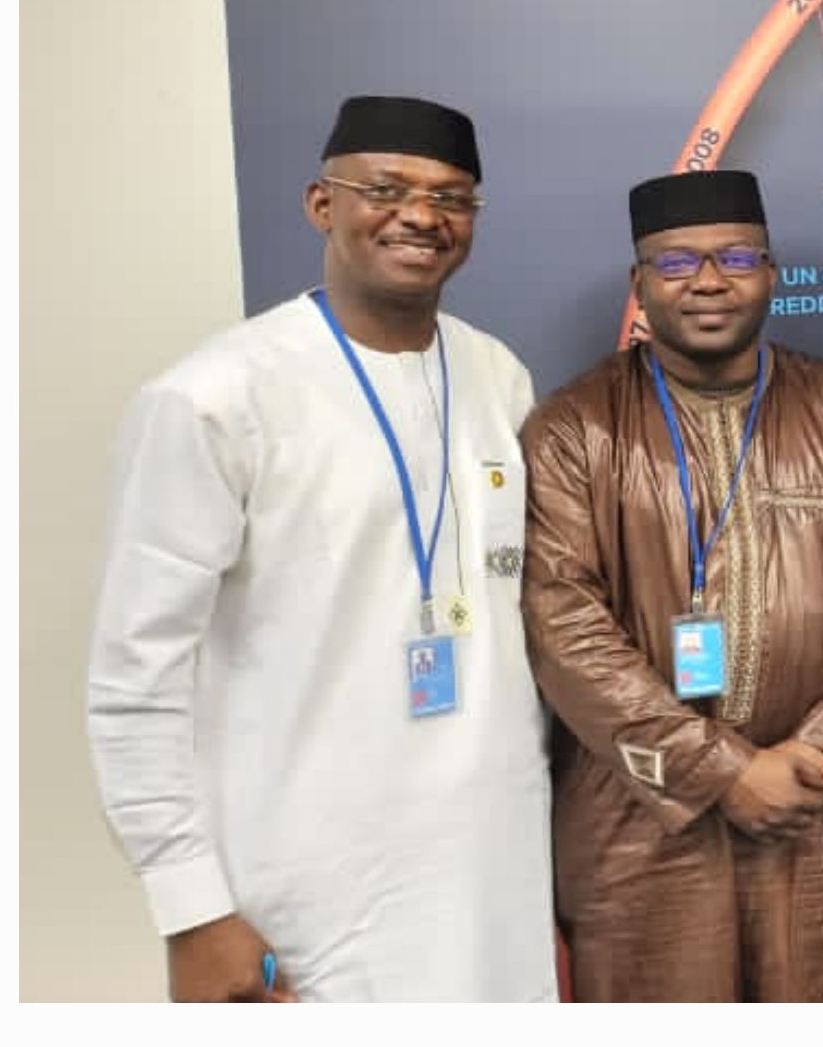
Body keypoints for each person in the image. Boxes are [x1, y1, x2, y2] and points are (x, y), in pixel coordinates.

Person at [83, 96, 551, 1002]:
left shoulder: (498, 374)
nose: (421, 215)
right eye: (385, 188)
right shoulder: (213, 399)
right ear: (319, 204)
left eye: (452, 198)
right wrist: (189, 907)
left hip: (492, 870)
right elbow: (134, 679)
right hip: (303, 885)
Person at [521, 167, 823, 1002]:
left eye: (734, 257)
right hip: (638, 814)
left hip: (815, 808)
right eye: (678, 264)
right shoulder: (575, 427)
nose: (710, 283)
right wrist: (722, 772)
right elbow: (563, 622)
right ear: (639, 284)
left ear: (772, 271)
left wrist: (821, 744)